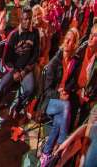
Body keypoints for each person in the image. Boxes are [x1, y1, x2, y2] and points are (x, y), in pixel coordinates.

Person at [0, 7, 40, 134]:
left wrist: (25, 71)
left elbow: (35, 56)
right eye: (25, 19)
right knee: (0, 90)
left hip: (26, 70)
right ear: (21, 19)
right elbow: (6, 60)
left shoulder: (35, 33)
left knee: (30, 89)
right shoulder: (14, 35)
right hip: (13, 69)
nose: (28, 21)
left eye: (30, 19)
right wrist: (15, 71)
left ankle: (17, 107)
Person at [39, 27, 82, 164]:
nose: (67, 42)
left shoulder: (75, 61)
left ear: (74, 44)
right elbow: (46, 91)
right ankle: (62, 144)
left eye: (71, 41)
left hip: (62, 103)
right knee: (65, 106)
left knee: (61, 116)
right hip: (49, 102)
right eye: (66, 39)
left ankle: (47, 152)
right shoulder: (54, 63)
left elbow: (72, 82)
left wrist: (65, 90)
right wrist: (59, 95)